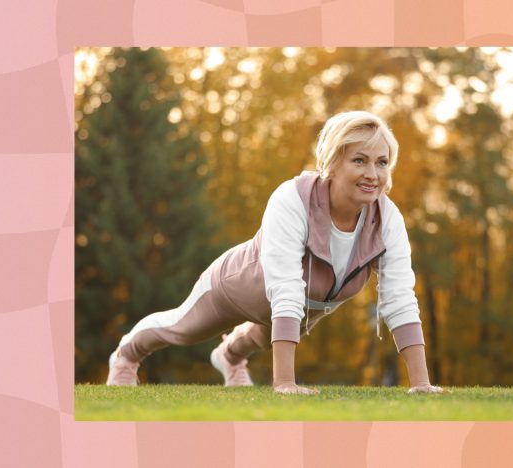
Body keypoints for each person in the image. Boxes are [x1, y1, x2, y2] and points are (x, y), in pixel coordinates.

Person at [107, 110, 443, 395]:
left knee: (259, 337)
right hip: (238, 286)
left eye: (382, 162)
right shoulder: (292, 198)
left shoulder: (388, 219)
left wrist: (421, 384)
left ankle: (229, 357)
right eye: (360, 160)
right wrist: (284, 382)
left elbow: (399, 297)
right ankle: (125, 355)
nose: (373, 174)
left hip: (301, 308)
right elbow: (285, 286)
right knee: (181, 329)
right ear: (333, 163)